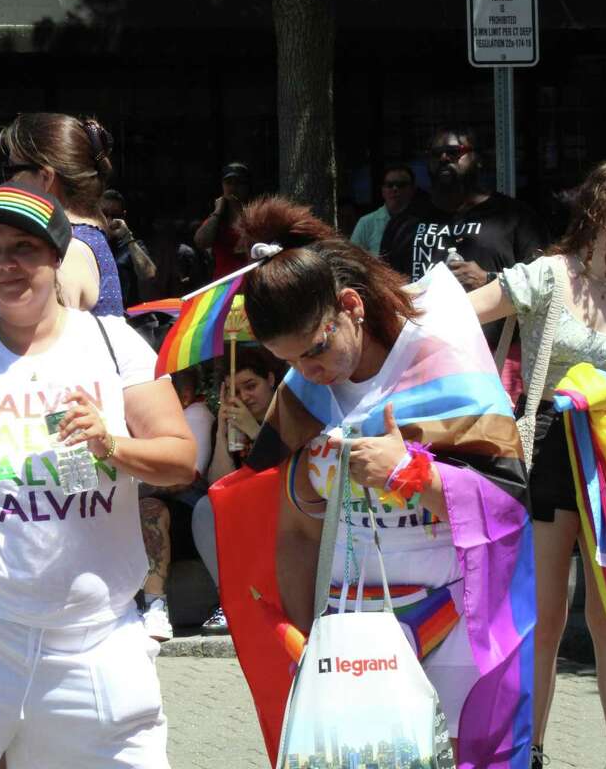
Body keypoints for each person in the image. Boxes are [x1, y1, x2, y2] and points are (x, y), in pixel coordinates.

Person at [0, 179, 195, 768]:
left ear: (56, 256)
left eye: (22, 247)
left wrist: (112, 445)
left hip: (91, 636)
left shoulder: (112, 344)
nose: (5, 264)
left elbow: (180, 458)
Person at [211, 197, 532, 766]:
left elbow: (507, 504)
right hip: (349, 627)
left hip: (452, 615)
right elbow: (296, 531)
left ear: (351, 306)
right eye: (289, 360)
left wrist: (409, 472)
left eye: (316, 349)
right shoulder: (303, 393)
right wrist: (305, 647)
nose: (310, 371)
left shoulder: (441, 353)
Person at [469, 158, 606, 769]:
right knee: (545, 611)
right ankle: (527, 749)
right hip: (546, 452)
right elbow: (461, 313)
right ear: (602, 206)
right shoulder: (547, 276)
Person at [382, 126, 546, 348]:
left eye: (454, 151)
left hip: (498, 356)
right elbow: (385, 289)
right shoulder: (404, 224)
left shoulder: (515, 217)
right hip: (424, 356)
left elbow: (542, 284)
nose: (443, 158)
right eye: (435, 153)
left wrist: (487, 280)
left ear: (477, 158)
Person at [0, 113, 125, 321]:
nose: (7, 184)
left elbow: (45, 341)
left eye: (10, 170)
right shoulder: (85, 240)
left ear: (45, 178)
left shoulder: (66, 253)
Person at [189, 346, 281, 635]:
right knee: (206, 507)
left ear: (270, 379)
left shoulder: (288, 416)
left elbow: (294, 472)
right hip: (245, 508)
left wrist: (255, 430)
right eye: (235, 390)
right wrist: (222, 435)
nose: (244, 396)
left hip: (284, 508)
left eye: (250, 386)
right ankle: (230, 601)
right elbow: (219, 485)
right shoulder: (228, 422)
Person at [137, 366, 214, 641]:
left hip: (186, 508)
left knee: (150, 510)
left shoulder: (196, 415)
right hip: (153, 501)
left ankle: (155, 604)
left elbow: (183, 477)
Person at [194, 162, 252, 279]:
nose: (233, 188)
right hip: (223, 286)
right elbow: (200, 242)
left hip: (250, 283)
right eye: (228, 183)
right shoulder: (218, 217)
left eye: (238, 183)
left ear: (247, 187)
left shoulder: (257, 214)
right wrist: (217, 211)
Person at [100, 189, 157, 307]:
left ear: (123, 216)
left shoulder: (131, 245)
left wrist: (128, 238)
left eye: (115, 216)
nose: (109, 221)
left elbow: (149, 274)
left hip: (128, 316)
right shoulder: (89, 241)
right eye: (104, 214)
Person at [349, 164, 416, 256]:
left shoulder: (422, 222)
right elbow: (352, 259)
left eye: (401, 185)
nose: (395, 189)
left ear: (412, 189)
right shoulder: (366, 222)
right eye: (389, 185)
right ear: (382, 190)